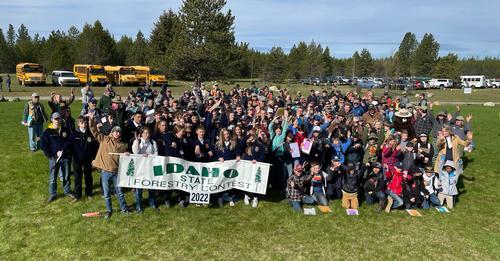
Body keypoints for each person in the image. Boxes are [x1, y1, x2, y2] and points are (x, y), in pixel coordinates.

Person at [88, 112, 131, 219]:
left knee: (120, 193)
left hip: (116, 172)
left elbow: (124, 159)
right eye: (116, 132)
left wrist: (127, 154)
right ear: (112, 132)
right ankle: (109, 210)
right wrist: (91, 120)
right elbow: (94, 130)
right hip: (105, 172)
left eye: (119, 132)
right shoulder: (104, 139)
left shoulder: (122, 145)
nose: (118, 133)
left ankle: (124, 209)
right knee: (106, 194)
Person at [40, 112, 76, 202]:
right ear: (51, 119)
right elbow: (43, 145)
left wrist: (63, 150)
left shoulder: (65, 130)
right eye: (55, 119)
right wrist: (50, 156)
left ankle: (67, 191)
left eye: (58, 118)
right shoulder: (47, 132)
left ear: (61, 119)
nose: (57, 120)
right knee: (53, 177)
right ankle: (53, 194)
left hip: (65, 157)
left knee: (66, 176)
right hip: (53, 159)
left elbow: (70, 141)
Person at [132, 126, 159, 213]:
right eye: (145, 133)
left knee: (151, 186)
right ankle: (138, 206)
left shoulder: (153, 142)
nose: (147, 135)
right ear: (141, 134)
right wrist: (137, 141)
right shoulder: (138, 142)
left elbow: (156, 153)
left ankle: (152, 203)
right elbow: (135, 152)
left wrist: (150, 156)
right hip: (140, 167)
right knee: (139, 188)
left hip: (150, 167)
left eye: (148, 133)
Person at [70, 116, 98, 199]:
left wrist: (93, 158)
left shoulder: (90, 134)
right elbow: (70, 146)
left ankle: (89, 193)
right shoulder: (74, 134)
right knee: (77, 177)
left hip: (88, 159)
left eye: (85, 123)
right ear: (78, 124)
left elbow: (95, 147)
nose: (84, 125)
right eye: (82, 123)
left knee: (88, 176)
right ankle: (77, 195)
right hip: (77, 159)